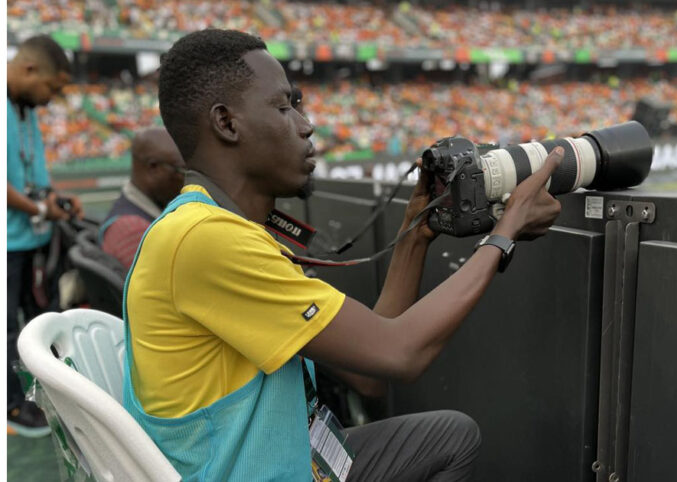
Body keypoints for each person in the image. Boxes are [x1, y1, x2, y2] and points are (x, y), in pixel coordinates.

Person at [123, 29, 562, 481]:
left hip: (275, 453)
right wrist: (505, 232)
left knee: (450, 436)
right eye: (284, 106)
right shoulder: (206, 239)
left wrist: (415, 233)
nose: (305, 124)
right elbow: (401, 353)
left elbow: (370, 372)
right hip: (252, 471)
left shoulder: (213, 226)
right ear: (227, 123)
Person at [7, 35, 84, 437]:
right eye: (52, 88)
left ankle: (42, 396)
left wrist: (55, 198)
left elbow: (33, 174)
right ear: (30, 69)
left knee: (36, 323)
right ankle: (12, 406)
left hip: (29, 242)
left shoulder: (25, 109)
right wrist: (40, 208)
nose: (52, 98)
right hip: (7, 246)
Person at [99, 127, 185, 270]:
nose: (186, 180)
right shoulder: (133, 231)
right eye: (180, 171)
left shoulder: (133, 215)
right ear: (153, 167)